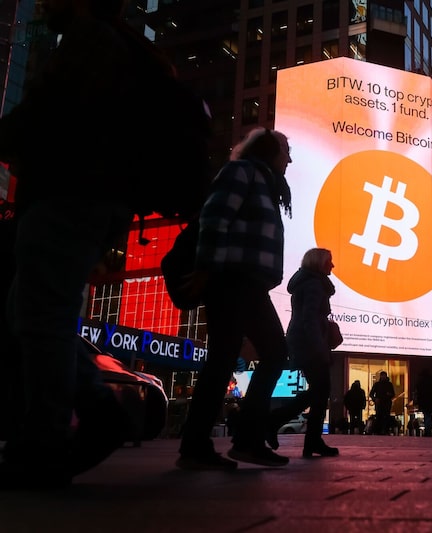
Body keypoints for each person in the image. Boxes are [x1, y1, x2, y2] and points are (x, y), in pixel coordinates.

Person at [0, 0, 169, 489]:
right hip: (91, 199)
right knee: (30, 315)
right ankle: (80, 418)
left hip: (67, 193)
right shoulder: (120, 47)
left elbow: (48, 117)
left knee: (42, 319)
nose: (45, 3)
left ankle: (49, 440)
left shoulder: (91, 42)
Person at [176, 127, 293, 470]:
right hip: (230, 278)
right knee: (230, 357)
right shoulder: (242, 172)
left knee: (263, 354)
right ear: (269, 150)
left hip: (250, 283)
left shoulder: (266, 183)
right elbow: (214, 219)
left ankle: (242, 441)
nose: (289, 159)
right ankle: (204, 445)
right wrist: (206, 268)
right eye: (286, 151)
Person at [261, 248, 339, 458]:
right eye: (329, 262)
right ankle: (276, 421)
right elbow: (309, 318)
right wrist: (319, 347)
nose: (332, 266)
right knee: (321, 390)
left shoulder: (308, 282)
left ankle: (311, 441)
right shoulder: (314, 284)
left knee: (320, 392)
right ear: (319, 263)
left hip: (304, 341)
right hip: (310, 343)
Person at [414, 366, 432, 437]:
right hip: (430, 400)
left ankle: (427, 430)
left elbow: (417, 390)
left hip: (422, 400)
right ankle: (428, 430)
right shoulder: (431, 380)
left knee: (426, 415)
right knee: (429, 416)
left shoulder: (420, 380)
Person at [369, 371, 395, 435]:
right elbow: (371, 393)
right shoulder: (377, 384)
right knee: (379, 416)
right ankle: (379, 430)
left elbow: (393, 394)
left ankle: (385, 430)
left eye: (384, 376)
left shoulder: (389, 384)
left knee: (386, 416)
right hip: (380, 403)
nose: (383, 377)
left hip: (386, 403)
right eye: (382, 375)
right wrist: (375, 399)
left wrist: (389, 395)